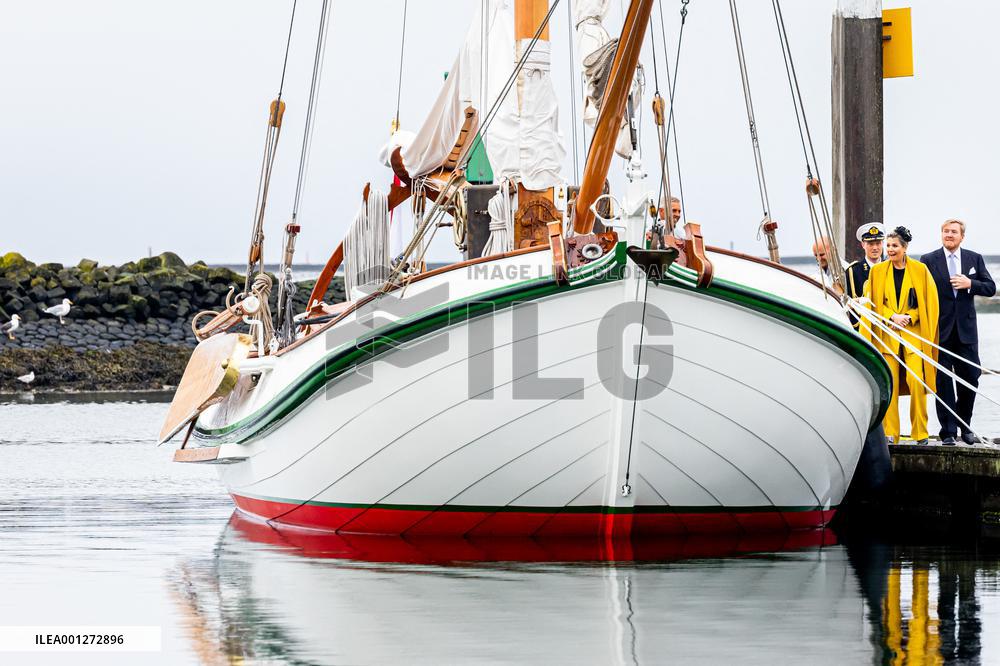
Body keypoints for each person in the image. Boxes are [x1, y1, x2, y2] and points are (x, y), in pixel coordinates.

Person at [921, 219, 996, 445]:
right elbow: (920, 292)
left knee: (970, 378)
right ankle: (948, 432)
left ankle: (966, 427)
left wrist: (969, 283)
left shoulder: (974, 258)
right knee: (942, 382)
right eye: (946, 231)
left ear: (962, 236)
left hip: (966, 331)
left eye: (954, 232)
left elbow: (990, 288)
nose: (949, 235)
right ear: (941, 234)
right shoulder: (928, 260)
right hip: (939, 331)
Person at [862, 227, 939, 445]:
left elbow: (929, 303)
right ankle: (890, 432)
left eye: (894, 246)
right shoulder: (877, 272)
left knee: (916, 382)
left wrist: (909, 316)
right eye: (888, 246)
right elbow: (874, 304)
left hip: (914, 337)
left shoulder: (920, 270)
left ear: (905, 248)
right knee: (891, 385)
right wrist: (892, 317)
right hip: (887, 337)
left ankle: (920, 432)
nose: (889, 249)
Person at [845, 223, 886, 328]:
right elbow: (845, 302)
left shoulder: (890, 268)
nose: (875, 248)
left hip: (887, 325)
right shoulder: (853, 271)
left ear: (882, 243)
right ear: (863, 245)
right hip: (863, 326)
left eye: (878, 243)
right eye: (870, 244)